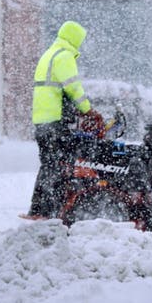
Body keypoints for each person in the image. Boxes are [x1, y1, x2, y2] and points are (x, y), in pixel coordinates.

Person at [23, 21, 105, 219]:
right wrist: (89, 111)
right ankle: (53, 211)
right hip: (55, 122)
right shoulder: (64, 56)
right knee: (63, 166)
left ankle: (39, 209)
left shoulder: (49, 54)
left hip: (43, 120)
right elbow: (73, 88)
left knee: (49, 164)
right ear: (74, 38)